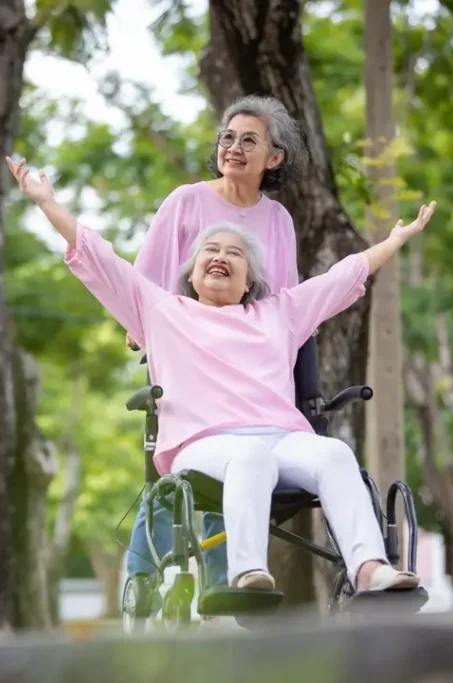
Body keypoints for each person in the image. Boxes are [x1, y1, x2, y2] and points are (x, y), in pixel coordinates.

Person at [5, 154, 434, 593]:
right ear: (191, 272)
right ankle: (246, 574)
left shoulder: (279, 314)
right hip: (203, 444)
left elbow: (343, 277)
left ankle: (369, 570)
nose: (221, 257)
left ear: (249, 280)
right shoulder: (160, 310)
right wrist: (46, 202)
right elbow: (99, 256)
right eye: (211, 250)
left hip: (282, 439)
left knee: (334, 454)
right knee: (250, 456)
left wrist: (397, 239)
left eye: (235, 254)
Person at [126, 95, 304, 592]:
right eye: (228, 137)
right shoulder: (186, 201)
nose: (234, 147)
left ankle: (226, 583)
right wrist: (146, 332)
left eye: (250, 140)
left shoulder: (279, 220)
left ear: (274, 158)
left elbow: (286, 300)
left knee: (238, 458)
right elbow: (145, 280)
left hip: (252, 361)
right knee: (185, 467)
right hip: (187, 349)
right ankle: (143, 572)